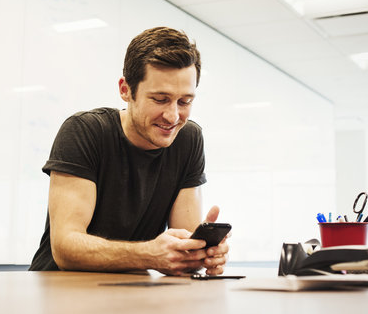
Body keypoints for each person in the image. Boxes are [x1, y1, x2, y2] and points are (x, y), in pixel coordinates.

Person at [29, 27, 229, 275]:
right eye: (160, 99)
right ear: (125, 90)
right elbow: (65, 248)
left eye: (185, 101)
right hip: (62, 292)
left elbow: (182, 254)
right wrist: (150, 254)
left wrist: (199, 253)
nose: (173, 116)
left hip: (132, 293)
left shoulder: (189, 139)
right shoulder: (84, 131)